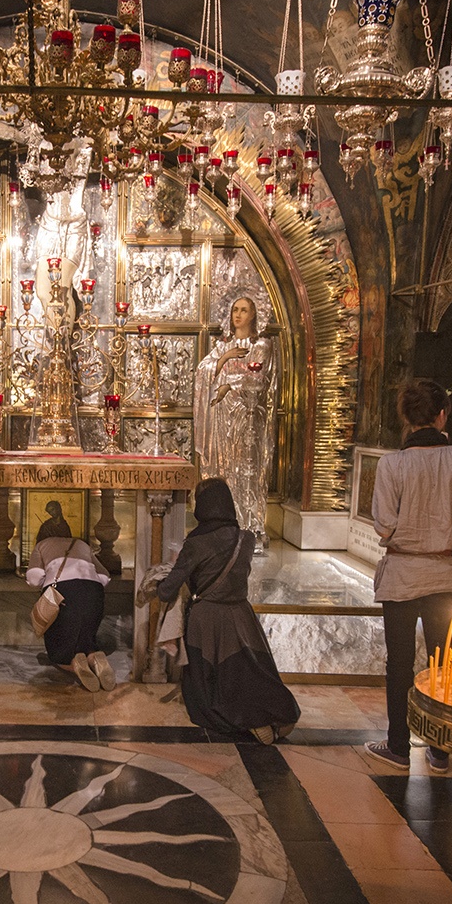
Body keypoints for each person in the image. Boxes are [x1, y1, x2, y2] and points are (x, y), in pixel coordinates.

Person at [367, 380, 452, 773]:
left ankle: (399, 747)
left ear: (405, 418)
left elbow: (384, 526)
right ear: (441, 416)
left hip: (403, 576)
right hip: (446, 576)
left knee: (399, 665)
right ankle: (440, 749)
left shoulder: (393, 464)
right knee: (443, 665)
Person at [146, 478, 301, 742]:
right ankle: (271, 714)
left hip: (206, 621)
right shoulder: (246, 539)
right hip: (242, 616)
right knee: (247, 668)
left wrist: (168, 571)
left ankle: (245, 721)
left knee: (208, 686)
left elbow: (167, 591)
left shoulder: (196, 543)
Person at [192, 295, 278, 546]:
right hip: (221, 421)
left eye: (244, 310)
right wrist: (226, 356)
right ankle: (221, 525)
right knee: (223, 472)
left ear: (254, 315)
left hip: (248, 419)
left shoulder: (262, 345)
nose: (238, 315)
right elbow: (203, 374)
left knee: (248, 472)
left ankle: (250, 525)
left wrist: (228, 385)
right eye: (234, 310)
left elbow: (260, 380)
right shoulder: (223, 346)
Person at [25, 501, 114, 692]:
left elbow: (34, 578)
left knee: (58, 651)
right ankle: (94, 657)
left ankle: (75, 665)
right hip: (94, 594)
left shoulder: (41, 545)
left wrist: (48, 577)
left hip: (64, 595)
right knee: (85, 639)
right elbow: (105, 577)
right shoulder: (81, 544)